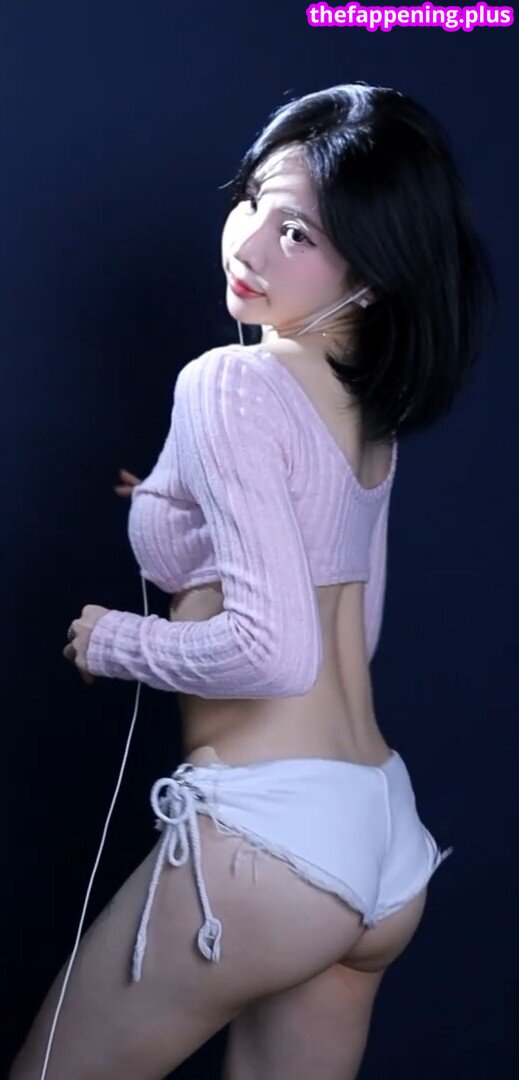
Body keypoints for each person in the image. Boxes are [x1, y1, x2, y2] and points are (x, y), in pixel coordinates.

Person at [10, 81, 497, 1080]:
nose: (251, 245)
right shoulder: (370, 411)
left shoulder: (230, 381)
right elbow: (350, 628)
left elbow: (273, 652)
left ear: (376, 272)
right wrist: (179, 504)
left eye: (300, 234)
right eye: (255, 204)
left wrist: (115, 639)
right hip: (379, 830)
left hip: (270, 839)